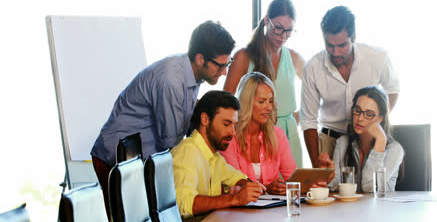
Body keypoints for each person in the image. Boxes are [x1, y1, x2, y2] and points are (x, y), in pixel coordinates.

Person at [90, 21, 236, 219]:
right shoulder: (171, 80)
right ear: (201, 59)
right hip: (116, 159)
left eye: (227, 64)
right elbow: (172, 144)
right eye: (220, 66)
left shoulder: (192, 76)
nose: (225, 71)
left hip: (141, 160)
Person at [300, 6, 400, 167]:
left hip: (367, 137)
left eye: (342, 45)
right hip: (330, 139)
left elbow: (393, 89)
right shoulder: (312, 67)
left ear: (353, 37)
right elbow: (308, 121)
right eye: (330, 45)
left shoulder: (377, 57)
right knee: (329, 189)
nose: (336, 52)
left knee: (369, 186)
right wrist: (316, 167)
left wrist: (375, 121)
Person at [224, 0, 305, 167]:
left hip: (288, 136)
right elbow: (226, 102)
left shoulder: (294, 58)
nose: (283, 36)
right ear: (267, 21)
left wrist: (294, 117)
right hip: (252, 136)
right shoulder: (243, 57)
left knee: (293, 189)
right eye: (278, 28)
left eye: (289, 31)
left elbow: (315, 93)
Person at [172, 90, 264, 218]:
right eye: (226, 124)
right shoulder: (187, 152)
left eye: (234, 125)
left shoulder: (215, 156)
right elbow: (184, 204)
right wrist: (234, 199)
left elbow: (237, 178)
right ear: (205, 119)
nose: (233, 133)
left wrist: (246, 187)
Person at [221, 72, 297, 195]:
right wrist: (268, 188)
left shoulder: (278, 135)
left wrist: (318, 180)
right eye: (261, 102)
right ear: (246, 102)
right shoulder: (230, 137)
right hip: (240, 211)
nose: (268, 107)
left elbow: (293, 179)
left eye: (270, 101)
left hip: (272, 210)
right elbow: (233, 184)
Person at [324, 86, 404, 192]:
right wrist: (329, 177)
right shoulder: (343, 142)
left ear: (381, 118)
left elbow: (369, 187)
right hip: (350, 208)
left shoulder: (394, 150)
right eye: (358, 110)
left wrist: (380, 141)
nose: (360, 118)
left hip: (381, 208)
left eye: (369, 114)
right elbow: (335, 185)